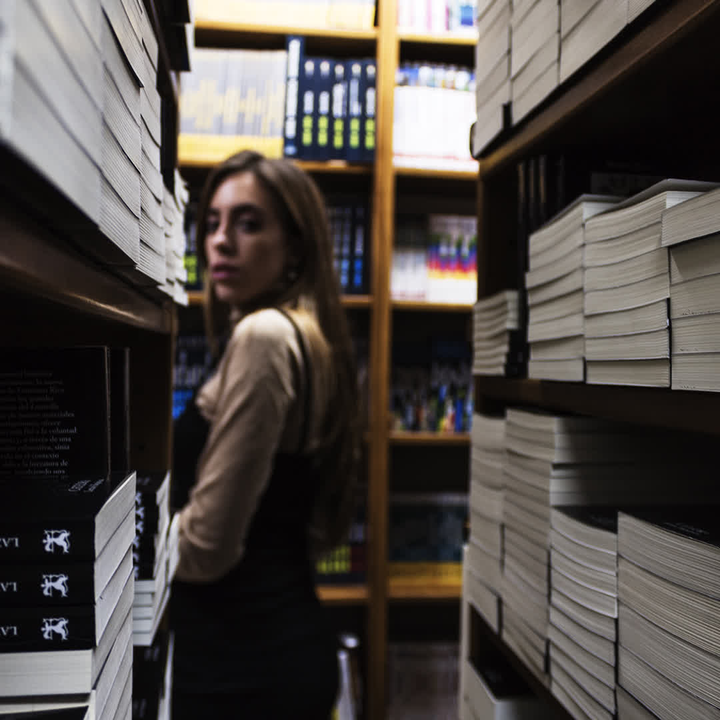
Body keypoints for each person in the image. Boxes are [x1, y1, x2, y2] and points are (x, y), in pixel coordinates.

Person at [169, 150, 362, 719]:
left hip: (243, 664)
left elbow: (207, 548)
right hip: (267, 647)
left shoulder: (264, 337)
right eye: (211, 223)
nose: (220, 242)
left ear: (296, 246)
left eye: (248, 223)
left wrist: (109, 549)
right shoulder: (302, 333)